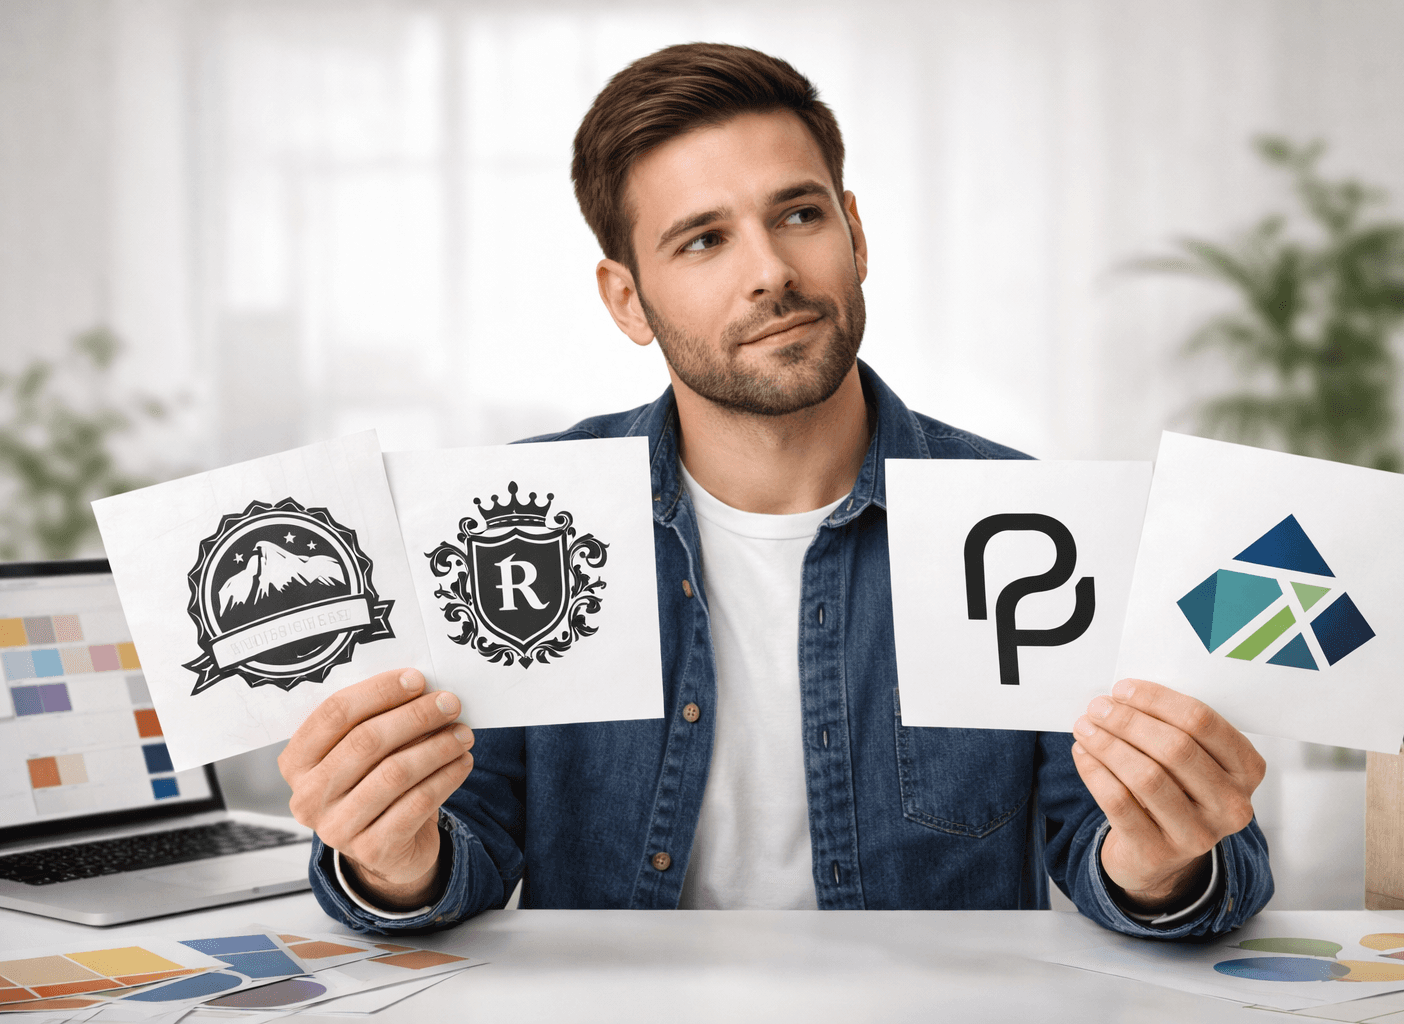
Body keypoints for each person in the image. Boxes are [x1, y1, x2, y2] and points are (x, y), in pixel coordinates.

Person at [280, 42, 1273, 934]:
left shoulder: (1031, 528)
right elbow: (464, 847)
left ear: (855, 235)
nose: (771, 272)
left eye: (798, 214)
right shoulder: (514, 526)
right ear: (628, 299)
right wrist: (396, 859)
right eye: (703, 239)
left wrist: (1158, 858)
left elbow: (1147, 861)